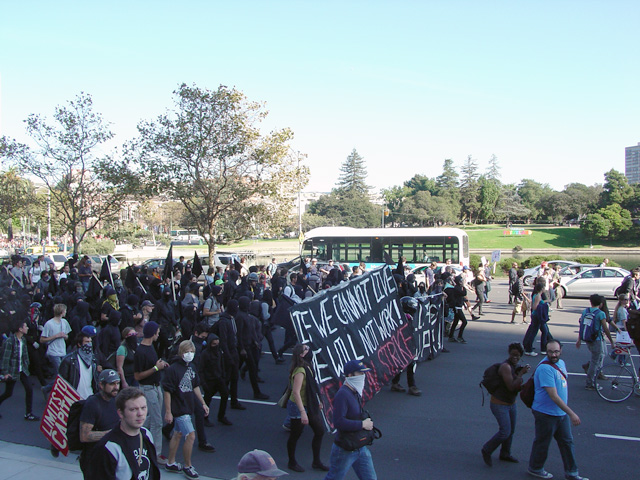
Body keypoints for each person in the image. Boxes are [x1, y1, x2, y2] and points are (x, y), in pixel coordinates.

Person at [527, 340, 588, 480]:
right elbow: (553, 396)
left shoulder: (561, 363)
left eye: (556, 351)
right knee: (543, 442)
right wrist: (571, 413)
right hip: (545, 413)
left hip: (560, 412)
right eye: (550, 352)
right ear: (546, 352)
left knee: (567, 442)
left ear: (561, 350)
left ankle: (572, 473)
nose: (553, 354)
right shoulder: (545, 369)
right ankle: (535, 468)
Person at [88, 387, 160, 480]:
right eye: (133, 409)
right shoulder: (109, 447)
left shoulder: (146, 434)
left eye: (143, 408)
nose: (140, 413)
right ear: (120, 413)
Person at [162, 340, 209, 479]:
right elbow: (167, 391)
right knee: (190, 435)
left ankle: (170, 462)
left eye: (192, 352)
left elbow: (195, 386)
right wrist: (168, 411)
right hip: (180, 408)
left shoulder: (192, 367)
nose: (190, 354)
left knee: (177, 434)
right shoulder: (173, 369)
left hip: (188, 406)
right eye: (187, 352)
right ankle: (187, 466)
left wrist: (203, 403)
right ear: (181, 352)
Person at [323, 360, 377, 480]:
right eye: (360, 373)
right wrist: (362, 424)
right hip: (345, 449)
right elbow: (338, 422)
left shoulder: (354, 392)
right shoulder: (343, 395)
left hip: (359, 446)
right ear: (350, 375)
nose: (364, 376)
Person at [481, 342, 530, 467]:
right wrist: (521, 374)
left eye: (518, 356)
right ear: (509, 354)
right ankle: (487, 449)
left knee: (511, 430)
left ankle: (505, 453)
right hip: (499, 404)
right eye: (513, 355)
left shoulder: (514, 366)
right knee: (505, 432)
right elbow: (511, 387)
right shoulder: (506, 367)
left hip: (511, 403)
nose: (515, 357)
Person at [286, 344, 328, 472]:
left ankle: (316, 461)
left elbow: (312, 386)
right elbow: (296, 392)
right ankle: (291, 462)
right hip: (299, 406)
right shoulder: (300, 370)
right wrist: (303, 413)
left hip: (309, 404)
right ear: (301, 355)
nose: (309, 351)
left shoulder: (308, 367)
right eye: (306, 349)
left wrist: (318, 401)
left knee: (319, 431)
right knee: (296, 434)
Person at [133, 321, 169, 465]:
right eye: (157, 332)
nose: (158, 334)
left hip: (155, 386)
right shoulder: (141, 351)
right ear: (153, 333)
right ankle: (156, 453)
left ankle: (137, 433)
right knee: (157, 422)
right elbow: (137, 376)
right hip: (148, 388)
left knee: (152, 418)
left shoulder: (150, 347)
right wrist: (156, 368)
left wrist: (160, 366)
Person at [78, 369, 121, 475]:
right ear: (101, 385)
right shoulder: (92, 404)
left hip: (110, 458)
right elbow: (84, 436)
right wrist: (111, 434)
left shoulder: (115, 400)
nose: (116, 387)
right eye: (112, 384)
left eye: (117, 383)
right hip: (94, 460)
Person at [0, 319, 39, 421]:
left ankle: (28, 413)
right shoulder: (9, 341)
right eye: (25, 326)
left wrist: (26, 366)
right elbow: (5, 358)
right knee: (8, 393)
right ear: (20, 329)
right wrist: (5, 372)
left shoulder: (23, 340)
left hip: (22, 370)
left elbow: (24, 355)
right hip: (13, 370)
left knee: (29, 389)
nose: (27, 328)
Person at [576, 294, 614, 391]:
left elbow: (582, 326)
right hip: (597, 340)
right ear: (601, 304)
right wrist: (612, 342)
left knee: (600, 356)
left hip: (589, 338)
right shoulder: (601, 314)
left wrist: (579, 339)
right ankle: (590, 383)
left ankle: (597, 373)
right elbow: (606, 329)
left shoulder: (586, 311)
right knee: (595, 361)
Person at [40, 303, 72, 372]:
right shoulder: (49, 324)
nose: (66, 312)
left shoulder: (64, 322)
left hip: (63, 351)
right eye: (65, 310)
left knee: (62, 373)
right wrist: (56, 336)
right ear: (62, 312)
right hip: (53, 352)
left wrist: (65, 336)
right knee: (60, 372)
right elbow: (42, 339)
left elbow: (67, 336)